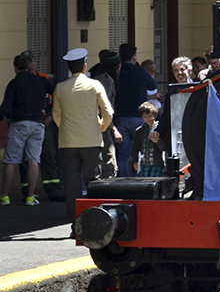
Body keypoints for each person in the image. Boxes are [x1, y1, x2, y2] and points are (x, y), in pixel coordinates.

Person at [52, 48, 113, 227]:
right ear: (85, 66)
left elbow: (56, 114)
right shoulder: (94, 85)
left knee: (72, 186)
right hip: (92, 140)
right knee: (93, 182)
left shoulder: (60, 87)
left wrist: (65, 129)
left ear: (69, 68)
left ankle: (76, 223)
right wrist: (101, 126)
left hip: (68, 142)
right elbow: (108, 112)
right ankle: (93, 221)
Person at [0, 53, 54, 206]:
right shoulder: (42, 81)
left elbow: (6, 107)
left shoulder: (14, 83)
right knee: (33, 160)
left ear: (15, 68)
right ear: (29, 66)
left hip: (19, 124)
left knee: (11, 161)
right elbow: (56, 92)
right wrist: (48, 110)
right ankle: (31, 196)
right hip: (38, 124)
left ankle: (4, 196)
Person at [112, 44, 157, 178]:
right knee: (142, 152)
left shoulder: (116, 73)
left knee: (123, 155)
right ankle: (140, 184)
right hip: (139, 117)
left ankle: (122, 185)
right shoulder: (140, 71)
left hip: (120, 117)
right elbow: (153, 85)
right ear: (134, 57)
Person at [89, 49, 124, 178]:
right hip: (102, 126)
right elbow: (104, 108)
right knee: (109, 162)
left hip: (97, 125)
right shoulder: (107, 81)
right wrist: (113, 129)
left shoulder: (97, 76)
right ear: (116, 66)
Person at [130, 101, 164, 177]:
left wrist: (158, 141)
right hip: (144, 164)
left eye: (149, 116)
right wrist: (135, 161)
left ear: (154, 115)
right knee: (144, 184)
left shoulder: (159, 128)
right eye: (144, 117)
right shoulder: (139, 131)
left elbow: (164, 147)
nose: (147, 119)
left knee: (155, 184)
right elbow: (135, 147)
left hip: (157, 164)